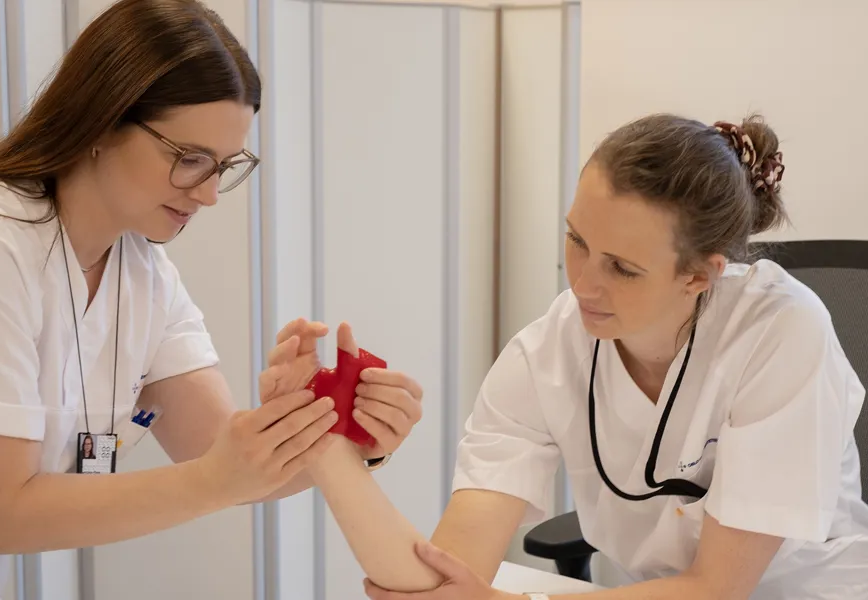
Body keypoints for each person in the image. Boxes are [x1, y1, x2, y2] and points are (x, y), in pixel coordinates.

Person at [306, 113, 868, 600]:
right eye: (577, 242)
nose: (583, 286)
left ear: (700, 274)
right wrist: (328, 448)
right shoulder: (547, 352)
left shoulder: (781, 332)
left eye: (622, 267)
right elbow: (446, 575)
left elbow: (716, 589)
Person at [0, 1, 424, 598]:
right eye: (189, 159)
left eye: (223, 166)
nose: (209, 195)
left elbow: (230, 464)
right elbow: (1, 515)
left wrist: (334, 431)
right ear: (103, 121)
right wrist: (215, 478)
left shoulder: (144, 273)